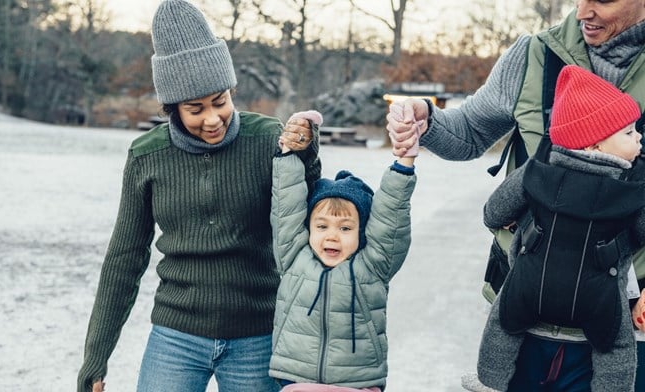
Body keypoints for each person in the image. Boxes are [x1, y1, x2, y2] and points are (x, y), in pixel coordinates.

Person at [386, 0, 645, 388]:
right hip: (523, 310)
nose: (583, 12)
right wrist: (428, 119)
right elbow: (470, 133)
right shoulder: (533, 55)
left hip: (625, 320)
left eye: (602, 0)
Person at [76, 1, 321, 391]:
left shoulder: (266, 139)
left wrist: (305, 152)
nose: (212, 118)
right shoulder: (147, 157)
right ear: (172, 109)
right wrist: (96, 356)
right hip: (176, 335)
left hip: (258, 335)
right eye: (195, 109)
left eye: (220, 101)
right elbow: (124, 258)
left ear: (232, 90)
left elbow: (307, 216)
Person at [464, 65, 645, 392]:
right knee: (615, 346)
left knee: (504, 323)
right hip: (600, 296)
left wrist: (514, 216)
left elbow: (493, 212)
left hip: (531, 285)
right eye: (629, 133)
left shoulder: (537, 170)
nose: (639, 137)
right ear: (596, 145)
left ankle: (488, 381)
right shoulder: (633, 185)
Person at [268, 104, 419, 391]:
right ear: (309, 229)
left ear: (362, 232)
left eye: (345, 228)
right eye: (322, 226)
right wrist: (288, 154)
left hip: (357, 383)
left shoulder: (373, 266)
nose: (332, 237)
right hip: (297, 380)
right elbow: (287, 208)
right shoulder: (294, 257)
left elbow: (390, 219)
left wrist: (404, 165)